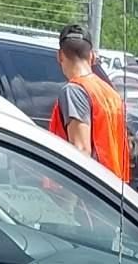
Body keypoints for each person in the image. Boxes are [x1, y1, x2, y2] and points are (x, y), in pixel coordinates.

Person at [49, 27, 132, 181]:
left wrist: (69, 203)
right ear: (92, 57)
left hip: (87, 194)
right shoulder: (111, 94)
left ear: (60, 56)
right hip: (112, 187)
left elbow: (80, 151)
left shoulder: (75, 91)